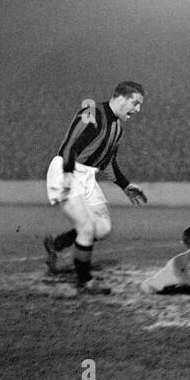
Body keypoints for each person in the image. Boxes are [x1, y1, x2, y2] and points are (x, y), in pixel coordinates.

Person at [42, 83, 148, 295]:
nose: (137, 109)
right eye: (135, 103)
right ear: (120, 98)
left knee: (102, 228)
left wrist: (125, 185)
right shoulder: (92, 112)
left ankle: (57, 244)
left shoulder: (117, 127)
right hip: (66, 169)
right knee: (87, 227)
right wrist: (68, 173)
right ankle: (85, 281)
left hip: (88, 177)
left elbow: (107, 162)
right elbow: (70, 144)